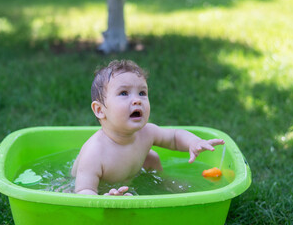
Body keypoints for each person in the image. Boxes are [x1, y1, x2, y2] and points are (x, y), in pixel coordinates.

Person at [71, 60, 224, 196]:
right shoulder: (95, 152)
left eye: (142, 93)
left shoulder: (147, 133)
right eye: (124, 93)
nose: (137, 100)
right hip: (92, 189)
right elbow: (83, 190)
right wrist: (105, 200)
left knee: (151, 157)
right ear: (99, 110)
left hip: (126, 181)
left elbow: (174, 137)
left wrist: (193, 142)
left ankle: (162, 183)